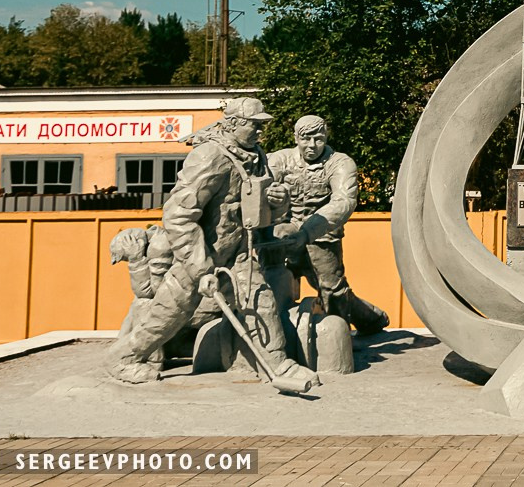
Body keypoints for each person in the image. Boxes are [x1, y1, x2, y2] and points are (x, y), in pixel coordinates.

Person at [104, 97, 312, 391]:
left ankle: (278, 365)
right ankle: (123, 358)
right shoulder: (210, 157)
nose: (260, 132)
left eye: (262, 126)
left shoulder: (255, 155)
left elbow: (261, 211)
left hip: (237, 252)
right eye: (255, 125)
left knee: (259, 300)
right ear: (235, 124)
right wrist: (201, 269)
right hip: (199, 256)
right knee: (170, 312)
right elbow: (178, 216)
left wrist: (279, 202)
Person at [267, 114, 390, 335]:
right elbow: (258, 183)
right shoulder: (279, 160)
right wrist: (271, 194)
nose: (312, 145)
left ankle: (348, 332)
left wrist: (306, 232)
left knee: (332, 291)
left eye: (318, 138)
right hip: (284, 236)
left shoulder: (340, 163)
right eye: (306, 139)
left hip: (322, 237)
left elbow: (343, 201)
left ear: (326, 136)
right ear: (295, 138)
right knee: (272, 283)